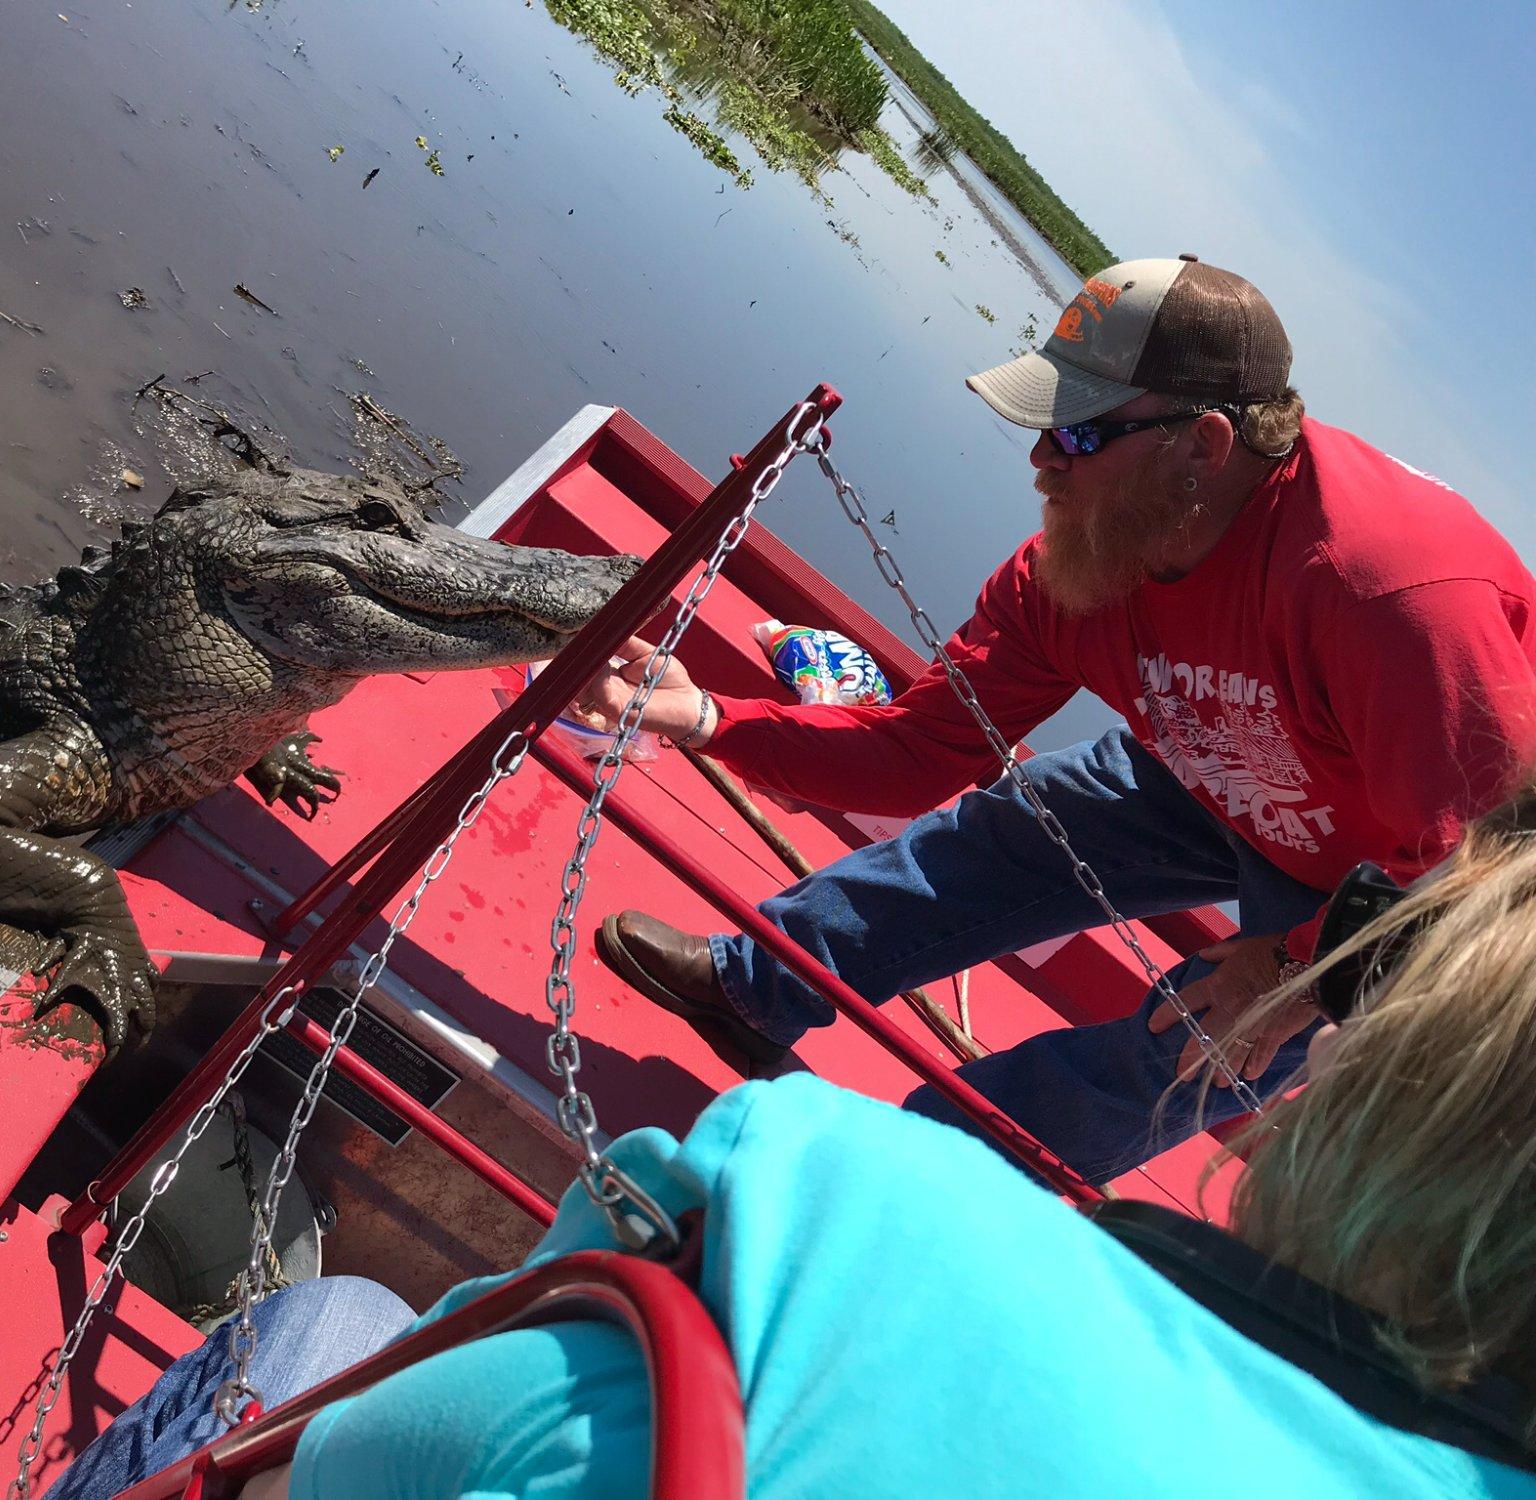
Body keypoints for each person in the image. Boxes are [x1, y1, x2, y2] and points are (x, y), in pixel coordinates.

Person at [50, 785, 1536, 1496]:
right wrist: (723, 728)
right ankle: (762, 977)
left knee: (335, 1321)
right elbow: (960, 741)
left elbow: (339, 1465)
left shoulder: (812, 1218)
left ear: (1435, 1067)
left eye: (1371, 943)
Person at [576, 254, 1536, 1183]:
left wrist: (1289, 968)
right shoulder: (1085, 567)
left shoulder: (1388, 595)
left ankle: (912, 1174)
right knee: (1017, 823)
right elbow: (916, 752)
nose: (1041, 459)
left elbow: (1492, 877)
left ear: (1201, 445)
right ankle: (763, 980)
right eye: (1041, 424)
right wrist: (705, 718)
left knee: (1200, 1041)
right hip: (1227, 763)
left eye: (1077, 434)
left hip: (1416, 869)